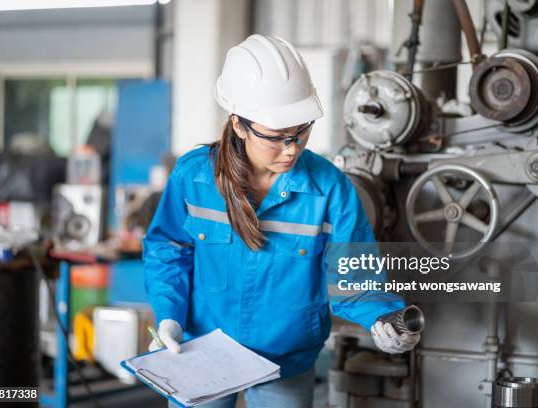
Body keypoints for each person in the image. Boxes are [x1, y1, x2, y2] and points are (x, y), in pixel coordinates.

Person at [143, 34, 420, 408]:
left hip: (284, 365)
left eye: (301, 132)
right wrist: (168, 316)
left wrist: (381, 317)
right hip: (201, 353)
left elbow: (354, 276)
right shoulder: (193, 178)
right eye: (276, 138)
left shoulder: (329, 189)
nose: (291, 149)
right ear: (239, 125)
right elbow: (167, 250)